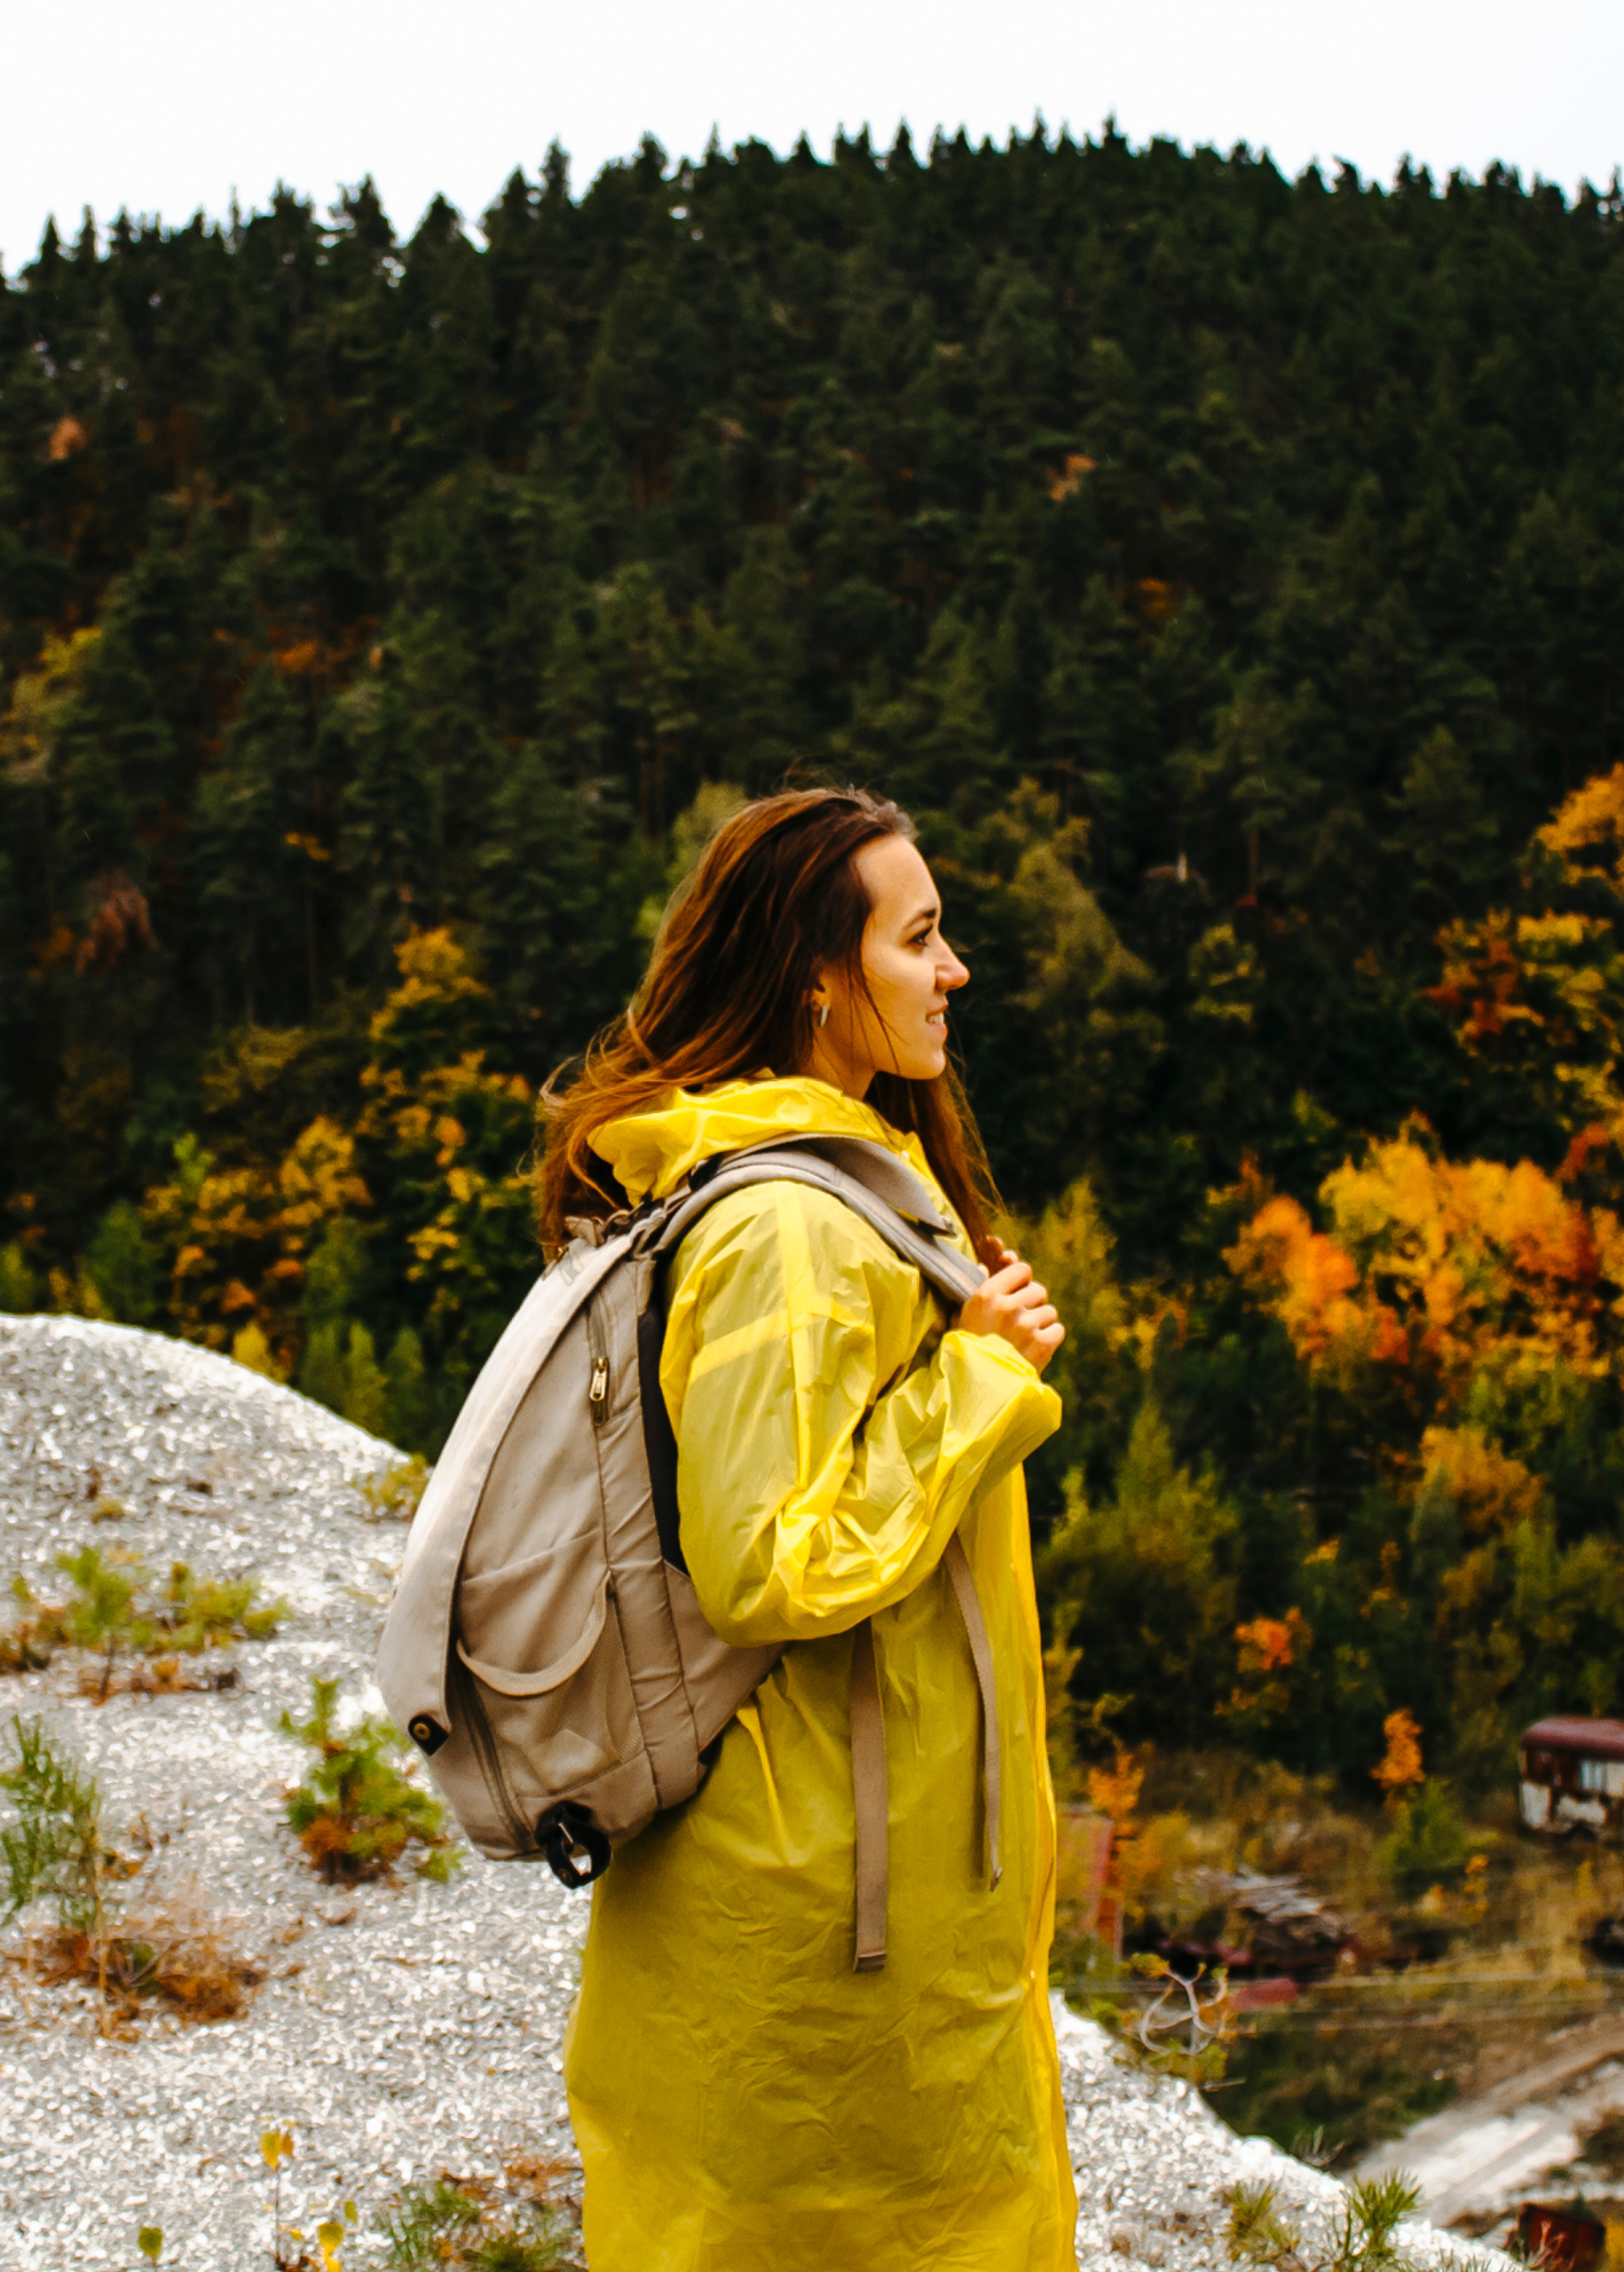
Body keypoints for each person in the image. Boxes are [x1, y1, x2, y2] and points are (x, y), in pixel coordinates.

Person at [540, 785, 1074, 2270]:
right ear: (821, 979)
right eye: (920, 939)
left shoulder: (834, 1185)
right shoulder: (786, 1231)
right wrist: (978, 1377)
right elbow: (773, 1560)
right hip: (818, 1908)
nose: (952, 969)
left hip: (860, 1877)